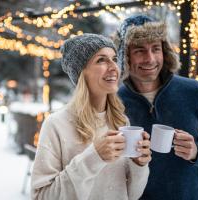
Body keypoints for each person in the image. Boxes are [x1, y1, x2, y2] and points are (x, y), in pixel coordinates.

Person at [31, 33, 151, 200]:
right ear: (82, 73)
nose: (113, 67)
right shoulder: (56, 124)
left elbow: (131, 195)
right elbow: (42, 196)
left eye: (114, 59)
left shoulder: (121, 122)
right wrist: (94, 157)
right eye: (101, 60)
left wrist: (139, 165)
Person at [116, 15, 198, 200]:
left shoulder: (195, 92)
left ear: (164, 52)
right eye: (140, 50)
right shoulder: (113, 102)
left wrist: (196, 151)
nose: (149, 59)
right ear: (125, 56)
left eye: (155, 49)